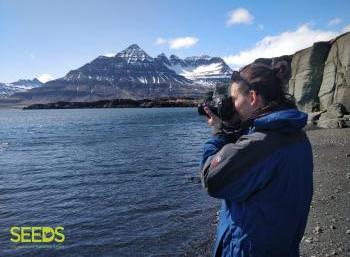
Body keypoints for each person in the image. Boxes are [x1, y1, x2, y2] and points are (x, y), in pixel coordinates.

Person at [200, 62, 313, 257]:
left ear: (252, 97)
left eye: (234, 98)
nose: (232, 105)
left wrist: (218, 132)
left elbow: (212, 179)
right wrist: (234, 127)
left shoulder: (261, 143)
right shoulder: (294, 133)